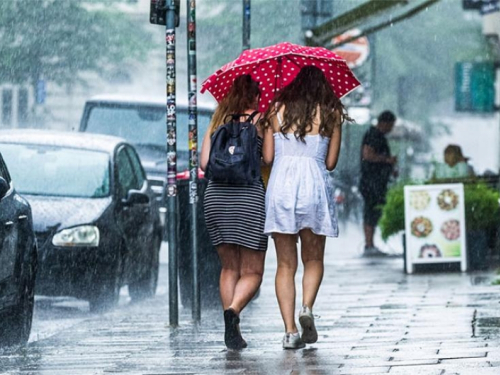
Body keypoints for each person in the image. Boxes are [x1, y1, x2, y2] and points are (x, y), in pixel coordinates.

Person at [262, 66, 348, 349]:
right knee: (313, 260)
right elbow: (331, 163)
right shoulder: (331, 114)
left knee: (285, 264)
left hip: (282, 188)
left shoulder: (275, 110)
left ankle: (289, 332)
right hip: (314, 187)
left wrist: (269, 128)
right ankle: (307, 308)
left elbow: (268, 157)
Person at [200, 75, 268, 350]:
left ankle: (231, 325)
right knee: (253, 271)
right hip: (249, 196)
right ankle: (234, 311)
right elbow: (270, 159)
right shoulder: (261, 119)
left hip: (216, 196)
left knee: (229, 267)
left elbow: (204, 163)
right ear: (253, 96)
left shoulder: (217, 121)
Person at [359, 111, 397, 257]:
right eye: (391, 125)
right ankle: (369, 245)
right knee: (371, 211)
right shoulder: (373, 135)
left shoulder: (379, 137)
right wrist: (386, 160)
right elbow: (367, 154)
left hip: (378, 182)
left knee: (374, 211)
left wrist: (389, 168)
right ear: (384, 123)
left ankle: (371, 244)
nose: (391, 129)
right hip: (371, 182)